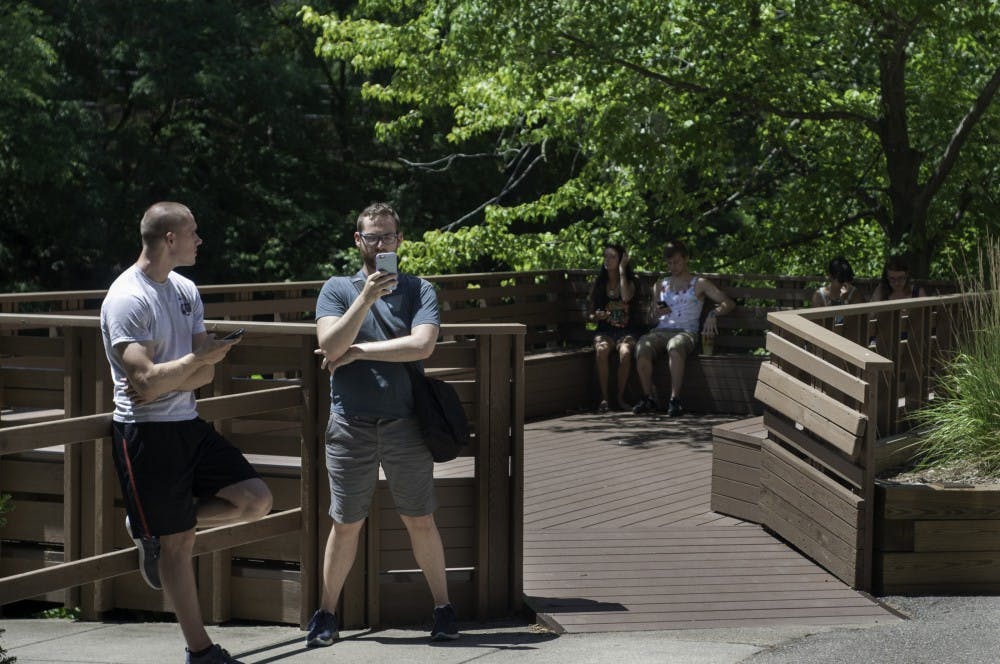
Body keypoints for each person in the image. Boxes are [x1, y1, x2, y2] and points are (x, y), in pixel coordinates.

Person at [100, 202, 273, 664]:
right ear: (169, 239)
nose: (200, 240)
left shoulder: (185, 289)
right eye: (193, 232)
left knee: (256, 500)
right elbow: (144, 384)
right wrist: (190, 365)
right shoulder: (126, 298)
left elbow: (197, 378)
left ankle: (151, 526)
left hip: (187, 423)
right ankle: (201, 651)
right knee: (180, 545)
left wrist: (176, 373)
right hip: (145, 434)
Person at [307, 202, 459, 647]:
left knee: (420, 519)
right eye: (371, 237)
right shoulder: (336, 289)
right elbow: (330, 343)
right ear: (358, 241)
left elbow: (423, 345)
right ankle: (327, 613)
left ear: (400, 240)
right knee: (345, 522)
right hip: (349, 425)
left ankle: (443, 609)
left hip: (406, 423)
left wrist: (361, 352)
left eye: (387, 237)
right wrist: (366, 298)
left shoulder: (419, 289)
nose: (379, 245)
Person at [632, 240, 735, 417]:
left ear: (685, 259)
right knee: (642, 345)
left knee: (675, 345)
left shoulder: (699, 283)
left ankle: (675, 400)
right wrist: (656, 312)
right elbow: (651, 318)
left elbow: (728, 303)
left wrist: (713, 314)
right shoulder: (660, 285)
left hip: (686, 332)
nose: (673, 266)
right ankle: (648, 398)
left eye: (677, 262)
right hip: (661, 330)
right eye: (669, 263)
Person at [587, 244, 640, 412]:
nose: (607, 260)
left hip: (627, 332)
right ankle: (604, 398)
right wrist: (597, 315)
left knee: (625, 352)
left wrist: (623, 270)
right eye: (606, 256)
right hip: (605, 332)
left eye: (612, 257)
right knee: (601, 350)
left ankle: (620, 396)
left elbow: (625, 297)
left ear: (621, 260)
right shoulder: (599, 283)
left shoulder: (630, 282)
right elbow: (590, 314)